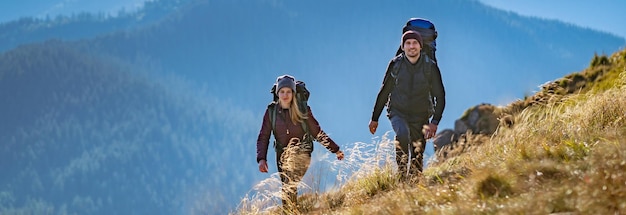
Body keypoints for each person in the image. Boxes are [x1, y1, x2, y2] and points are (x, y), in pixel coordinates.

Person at [256, 75, 344, 210]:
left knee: (289, 182)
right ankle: (291, 211)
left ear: (293, 93)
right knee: (287, 186)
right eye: (282, 91)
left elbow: (317, 132)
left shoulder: (303, 110)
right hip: (282, 155)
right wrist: (262, 159)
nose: (285, 95)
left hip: (302, 151)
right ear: (277, 93)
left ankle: (290, 211)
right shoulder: (271, 112)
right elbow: (264, 136)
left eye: (288, 91)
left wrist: (335, 149)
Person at [369, 30, 446, 180]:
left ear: (421, 46)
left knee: (417, 156)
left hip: (421, 115)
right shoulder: (396, 65)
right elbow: (384, 91)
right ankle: (401, 175)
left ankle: (414, 181)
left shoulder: (430, 67)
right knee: (403, 135)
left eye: (415, 43)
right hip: (398, 111)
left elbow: (440, 96)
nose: (411, 46)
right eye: (408, 43)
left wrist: (434, 122)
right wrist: (374, 118)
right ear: (403, 47)